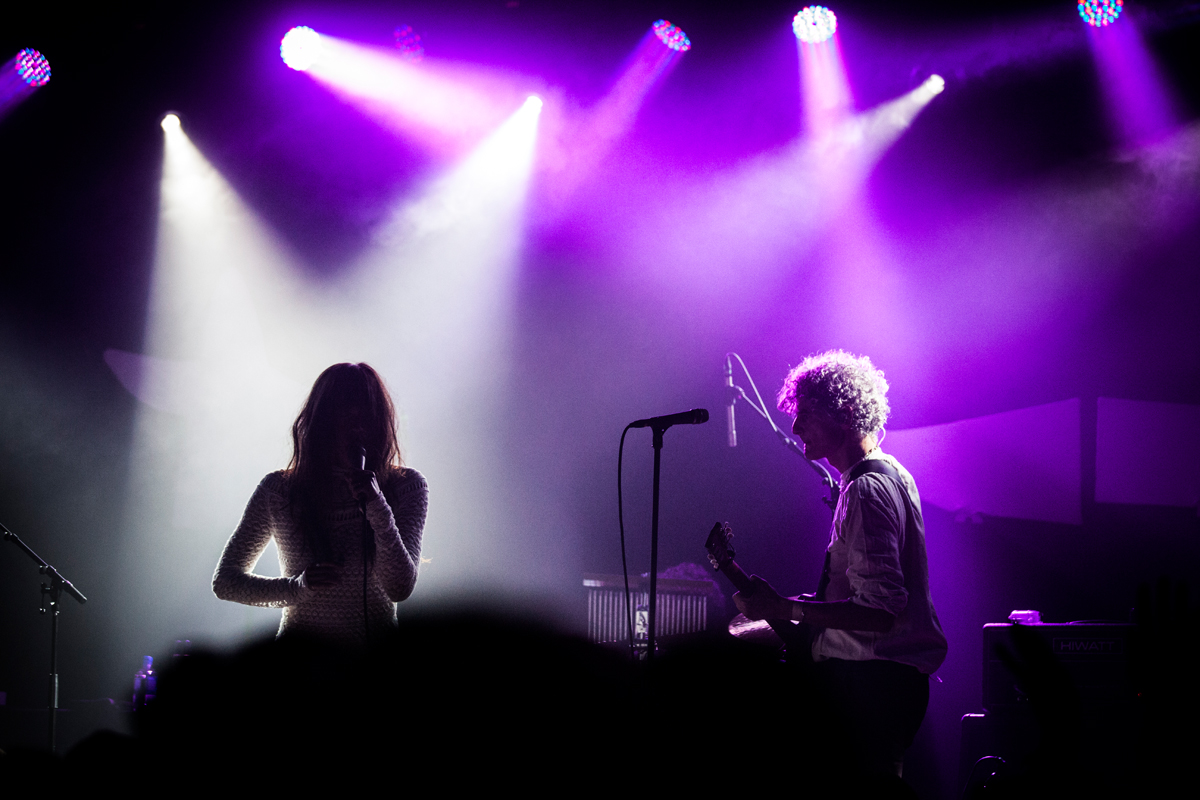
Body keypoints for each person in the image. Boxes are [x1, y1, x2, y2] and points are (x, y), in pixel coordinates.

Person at [733, 350, 946, 779]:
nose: (795, 428)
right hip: (884, 683)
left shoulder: (866, 490)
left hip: (872, 682)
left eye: (806, 414)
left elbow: (879, 612)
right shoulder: (893, 475)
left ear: (844, 412)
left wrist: (783, 610)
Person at [213, 363, 427, 645]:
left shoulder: (406, 486)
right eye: (346, 416)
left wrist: (377, 506)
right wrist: (297, 588)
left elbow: (400, 587)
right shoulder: (279, 490)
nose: (357, 427)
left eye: (365, 417)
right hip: (300, 667)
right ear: (323, 420)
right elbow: (227, 582)